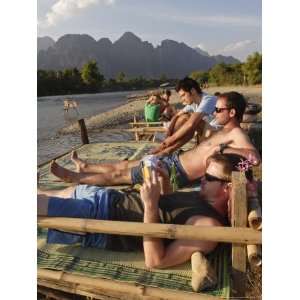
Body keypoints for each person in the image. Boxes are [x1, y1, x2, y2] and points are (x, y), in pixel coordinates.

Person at [39, 154, 245, 268]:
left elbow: (156, 260)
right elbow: (171, 211)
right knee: (49, 193)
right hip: (108, 197)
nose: (201, 179)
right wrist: (163, 182)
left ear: (227, 188)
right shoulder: (201, 196)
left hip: (102, 219)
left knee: (39, 204)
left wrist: (150, 205)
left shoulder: (209, 227)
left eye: (208, 178)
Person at [50, 91, 260, 188]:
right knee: (126, 164)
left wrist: (225, 152)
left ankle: (75, 178)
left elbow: (254, 159)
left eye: (218, 109)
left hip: (176, 172)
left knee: (120, 175)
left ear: (232, 112)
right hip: (175, 160)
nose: (214, 112)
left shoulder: (236, 134)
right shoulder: (222, 130)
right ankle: (86, 166)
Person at [151, 77, 217, 154]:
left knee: (188, 119)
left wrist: (167, 142)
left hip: (218, 134)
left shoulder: (208, 100)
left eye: (183, 95)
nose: (182, 100)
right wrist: (169, 131)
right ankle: (169, 149)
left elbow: (191, 123)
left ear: (192, 91)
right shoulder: (194, 102)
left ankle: (168, 149)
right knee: (184, 117)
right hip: (206, 133)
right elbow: (176, 116)